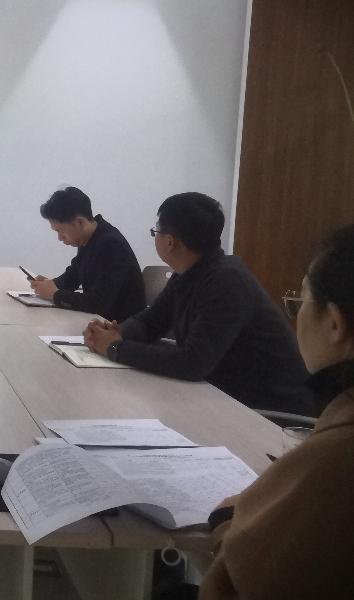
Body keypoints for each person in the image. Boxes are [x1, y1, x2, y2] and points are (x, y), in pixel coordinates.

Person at [198, 224, 354, 599]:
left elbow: (241, 583)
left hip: (269, 413)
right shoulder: (197, 276)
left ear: (334, 323)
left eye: (300, 302)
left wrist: (227, 520)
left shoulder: (340, 449)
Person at [83, 192, 315, 416]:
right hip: (226, 395)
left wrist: (116, 348)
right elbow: (152, 320)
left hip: (272, 412)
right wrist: (117, 333)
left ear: (170, 241)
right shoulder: (189, 273)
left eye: (156, 232)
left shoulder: (226, 281)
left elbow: (192, 364)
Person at [29, 187, 146, 322]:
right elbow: (72, 277)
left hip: (120, 327)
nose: (60, 238)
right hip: (99, 322)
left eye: (60, 231)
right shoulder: (89, 238)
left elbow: (99, 302)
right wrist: (49, 285)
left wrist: (55, 294)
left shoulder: (111, 244)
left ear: (80, 222)